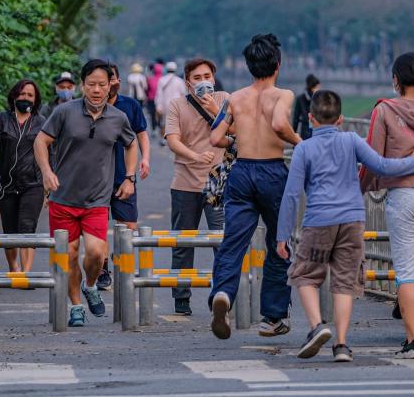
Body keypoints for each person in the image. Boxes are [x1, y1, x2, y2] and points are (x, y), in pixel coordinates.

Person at [276, 90, 414, 362]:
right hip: (352, 219)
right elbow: (382, 165)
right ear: (341, 119)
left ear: (310, 118)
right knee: (345, 282)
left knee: (305, 275)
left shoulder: (303, 149)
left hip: (319, 220)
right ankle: (342, 345)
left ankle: (316, 327)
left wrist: (282, 235)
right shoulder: (351, 140)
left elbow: (291, 194)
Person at [208, 34, 302, 340]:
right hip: (273, 171)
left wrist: (241, 137)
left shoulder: (235, 97)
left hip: (242, 172)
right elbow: (277, 124)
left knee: (233, 241)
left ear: (249, 66)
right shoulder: (283, 94)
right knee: (279, 242)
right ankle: (272, 317)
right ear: (277, 64)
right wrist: (300, 143)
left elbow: (215, 138)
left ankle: (222, 292)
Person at [34, 59, 138, 327]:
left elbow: (131, 144)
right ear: (82, 85)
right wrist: (46, 172)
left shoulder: (118, 118)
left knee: (95, 253)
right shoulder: (65, 112)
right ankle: (76, 306)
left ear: (110, 85)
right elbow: (41, 141)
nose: (96, 90)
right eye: (91, 84)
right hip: (63, 198)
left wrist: (129, 178)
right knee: (68, 255)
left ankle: (90, 285)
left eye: (102, 84)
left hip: (97, 200)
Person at [360, 52, 414, 359]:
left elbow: (372, 160)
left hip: (406, 197)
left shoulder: (385, 110)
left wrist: (361, 187)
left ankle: (412, 339)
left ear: (396, 80)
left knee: (406, 270)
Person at [165, 58, 228, 315]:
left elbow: (235, 129)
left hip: (218, 182)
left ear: (214, 78)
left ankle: (222, 294)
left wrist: (214, 108)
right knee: (183, 243)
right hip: (184, 183)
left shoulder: (225, 99)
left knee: (222, 242)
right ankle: (182, 296)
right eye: (197, 78)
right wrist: (193, 156)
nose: (203, 82)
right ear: (187, 82)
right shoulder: (176, 105)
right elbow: (172, 139)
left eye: (206, 77)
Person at [0, 79, 46, 273]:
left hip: (33, 183)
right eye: (22, 94)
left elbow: (52, 151)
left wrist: (50, 178)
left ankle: (26, 273)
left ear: (36, 99)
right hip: (5, 184)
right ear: (14, 96)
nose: (25, 98)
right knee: (10, 230)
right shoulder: (2, 119)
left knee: (27, 226)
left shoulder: (41, 123)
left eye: (30, 95)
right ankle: (13, 268)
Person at [96, 63, 150, 290]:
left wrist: (145, 158)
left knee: (128, 225)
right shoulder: (90, 108)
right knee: (97, 228)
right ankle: (102, 269)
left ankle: (123, 267)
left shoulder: (130, 105)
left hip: (123, 176)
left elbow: (141, 134)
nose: (109, 84)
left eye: (113, 79)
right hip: (96, 178)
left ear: (116, 81)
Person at [155, 61, 187, 146]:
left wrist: (158, 106)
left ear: (166, 69)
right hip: (177, 104)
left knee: (163, 122)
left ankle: (163, 139)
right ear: (175, 69)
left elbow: (159, 94)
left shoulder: (161, 80)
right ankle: (176, 139)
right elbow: (183, 94)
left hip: (165, 104)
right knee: (176, 122)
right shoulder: (179, 81)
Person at [292, 74, 321, 140]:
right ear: (313, 87)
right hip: (308, 133)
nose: (319, 89)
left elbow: (295, 120)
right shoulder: (316, 98)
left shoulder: (319, 98)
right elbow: (296, 119)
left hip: (313, 133)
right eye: (318, 87)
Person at [146, 62, 163, 139]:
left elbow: (147, 89)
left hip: (151, 99)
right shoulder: (163, 79)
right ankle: (160, 128)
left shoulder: (150, 79)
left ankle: (153, 129)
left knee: (152, 115)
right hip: (160, 100)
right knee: (160, 115)